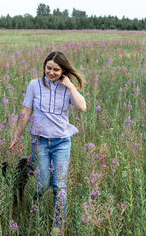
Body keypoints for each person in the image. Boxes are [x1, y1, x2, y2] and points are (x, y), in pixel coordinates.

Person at [9, 51, 87, 234]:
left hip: (61, 142)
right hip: (39, 141)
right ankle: (35, 211)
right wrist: (16, 136)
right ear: (44, 67)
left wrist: (70, 86)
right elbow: (26, 112)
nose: (51, 72)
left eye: (56, 69)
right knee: (42, 183)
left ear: (63, 71)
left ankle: (57, 226)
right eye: (48, 68)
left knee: (59, 185)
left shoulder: (67, 87)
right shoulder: (34, 85)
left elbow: (82, 107)